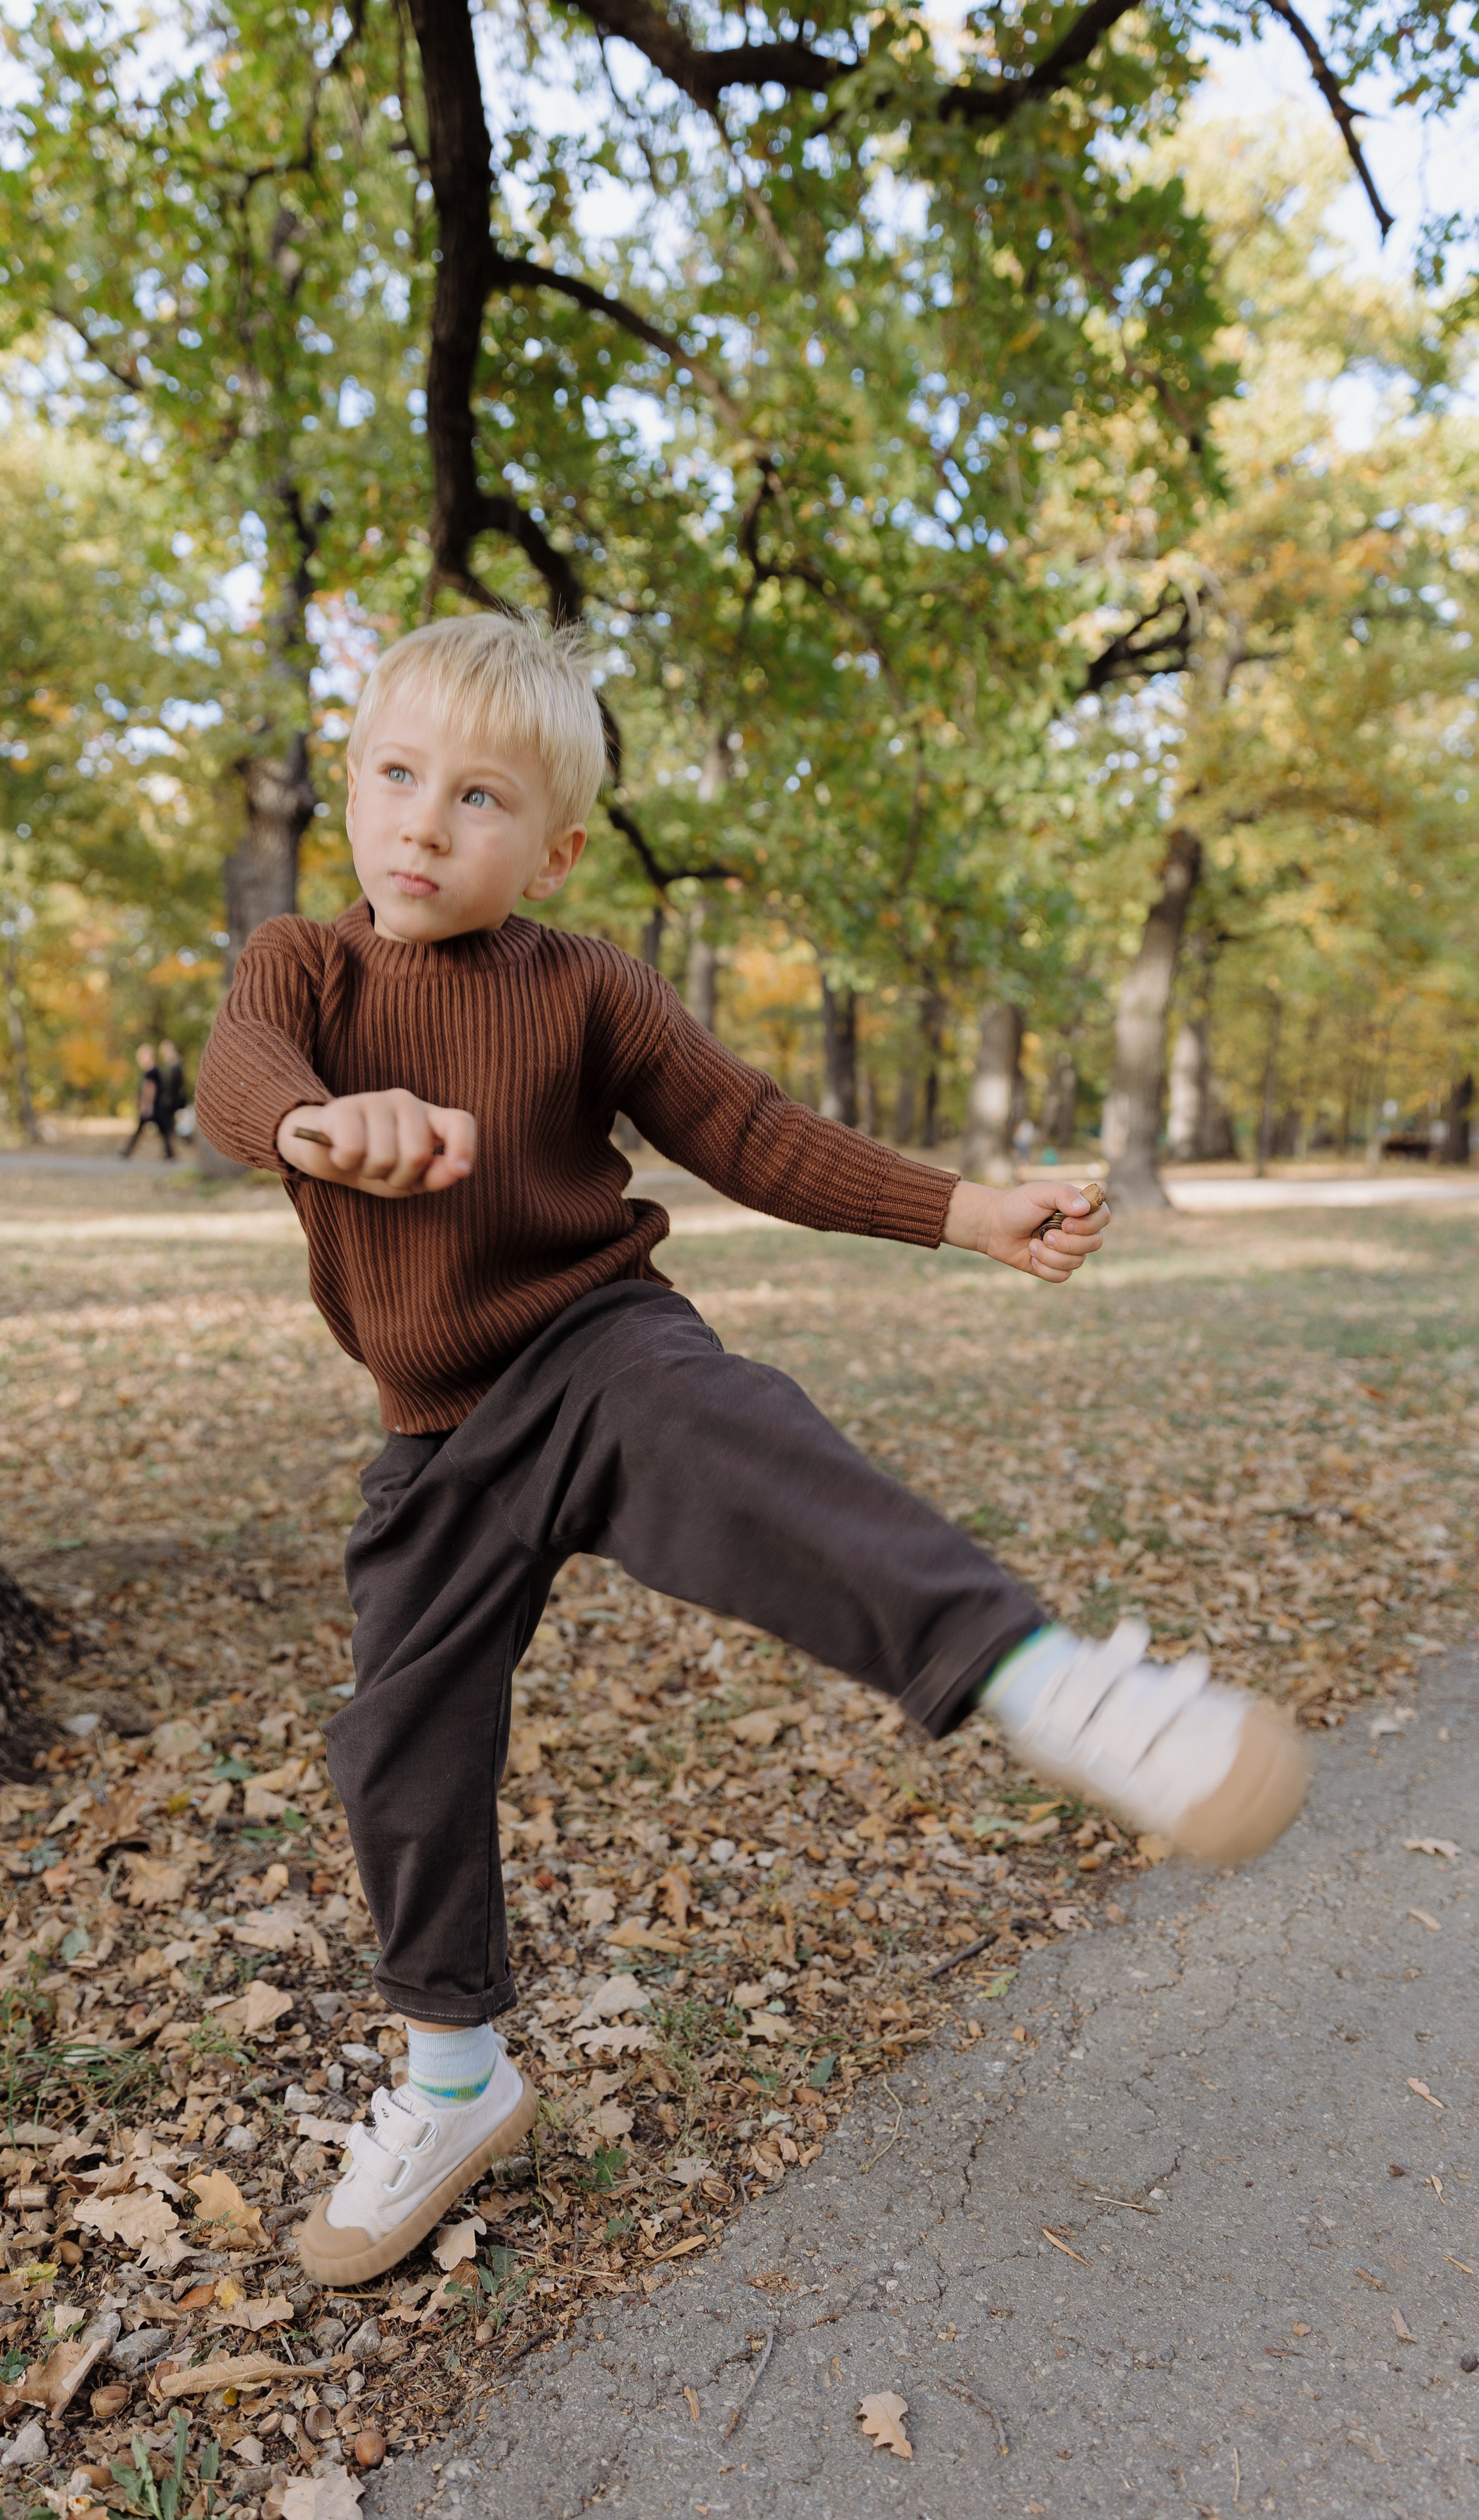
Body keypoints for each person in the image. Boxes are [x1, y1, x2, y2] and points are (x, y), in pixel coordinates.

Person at [194, 615, 1310, 2290]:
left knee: (736, 1442)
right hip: (431, 1441)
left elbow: (753, 1134)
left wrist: (966, 1212)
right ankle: (455, 2080)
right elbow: (238, 1073)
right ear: (349, 787)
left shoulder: (585, 985)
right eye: (395, 776)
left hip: (590, 1348)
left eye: (479, 795)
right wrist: (312, 1124)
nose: (423, 821)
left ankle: (1050, 1679)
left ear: (556, 844)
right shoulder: (306, 967)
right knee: (394, 1754)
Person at [121, 1041, 176, 1161]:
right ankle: (170, 1153)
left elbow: (150, 1089)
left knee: (151, 1130)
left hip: (154, 1107)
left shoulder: (152, 1072)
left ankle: (127, 1152)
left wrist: (148, 1105)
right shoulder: (152, 1071)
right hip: (155, 1107)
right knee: (162, 1131)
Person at [157, 1039, 188, 1146]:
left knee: (180, 1129)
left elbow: (178, 1085)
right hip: (170, 1102)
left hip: (175, 1102)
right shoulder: (170, 1065)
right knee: (167, 1126)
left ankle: (172, 1151)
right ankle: (170, 1151)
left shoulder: (177, 1065)